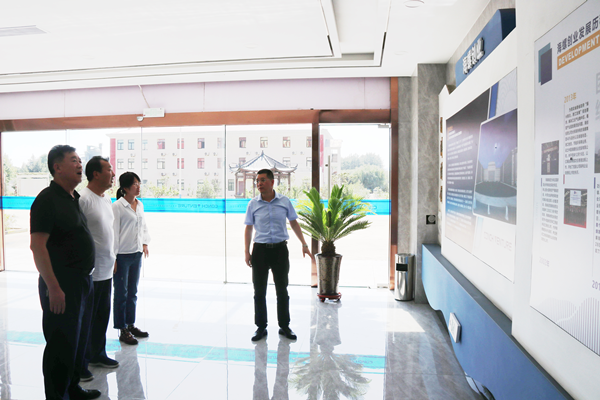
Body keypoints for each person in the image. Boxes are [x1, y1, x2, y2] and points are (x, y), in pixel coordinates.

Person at [30, 145, 101, 400]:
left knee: (77, 341)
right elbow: (37, 246)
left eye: (80, 160)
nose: (80, 164)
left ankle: (73, 388)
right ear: (57, 167)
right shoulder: (47, 200)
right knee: (61, 345)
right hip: (61, 284)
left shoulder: (73, 198)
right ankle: (57, 396)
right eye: (74, 160)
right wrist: (53, 287)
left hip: (82, 281)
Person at [244, 168, 314, 342]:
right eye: (257, 181)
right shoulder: (253, 204)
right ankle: (261, 327)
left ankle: (284, 326)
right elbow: (249, 228)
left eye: (262, 180)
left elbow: (294, 223)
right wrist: (247, 251)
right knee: (259, 291)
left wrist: (304, 244)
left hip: (280, 251)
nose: (259, 183)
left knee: (282, 289)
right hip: (259, 251)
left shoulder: (284, 201)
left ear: (272, 182)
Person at [79, 156, 119, 382]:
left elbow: (108, 232)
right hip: (90, 272)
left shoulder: (106, 199)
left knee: (102, 315)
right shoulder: (83, 199)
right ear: (96, 173)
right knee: (87, 319)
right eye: (109, 169)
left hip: (106, 268)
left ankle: (98, 353)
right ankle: (82, 361)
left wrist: (113, 257)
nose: (113, 174)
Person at [112, 172, 150, 345]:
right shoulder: (117, 206)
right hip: (122, 255)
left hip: (136, 254)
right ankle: (122, 329)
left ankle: (130, 324)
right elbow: (114, 233)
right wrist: (113, 257)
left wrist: (144, 243)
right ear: (125, 188)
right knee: (121, 293)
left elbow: (143, 226)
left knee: (133, 292)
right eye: (135, 184)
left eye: (139, 183)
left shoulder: (139, 204)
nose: (138, 186)